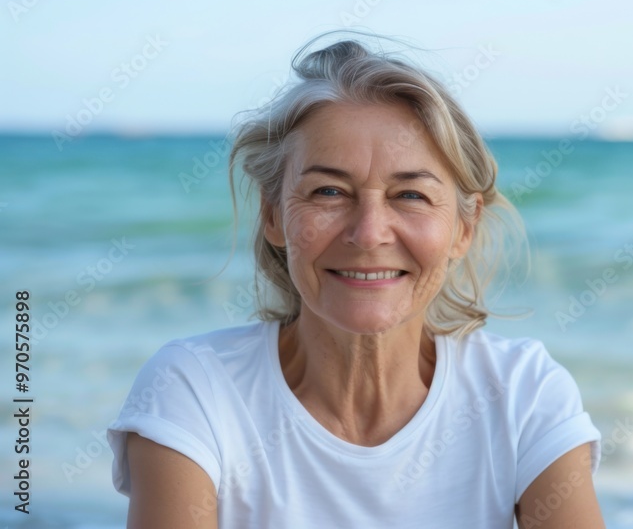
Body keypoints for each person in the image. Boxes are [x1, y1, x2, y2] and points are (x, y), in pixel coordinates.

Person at [107, 34, 605, 528]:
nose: (368, 234)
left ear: (463, 228)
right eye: (328, 191)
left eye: (410, 195)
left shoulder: (523, 394)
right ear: (273, 216)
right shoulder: (194, 389)